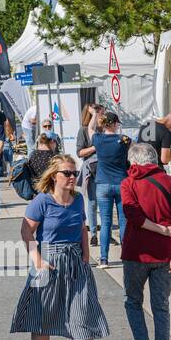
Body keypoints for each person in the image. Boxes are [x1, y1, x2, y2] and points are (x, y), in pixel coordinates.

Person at [9, 155, 114, 340]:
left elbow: (82, 228)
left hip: (75, 261)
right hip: (48, 260)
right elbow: (26, 233)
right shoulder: (41, 202)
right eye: (67, 173)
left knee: (82, 313)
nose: (72, 177)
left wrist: (86, 255)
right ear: (53, 176)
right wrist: (37, 260)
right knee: (42, 317)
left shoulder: (77, 200)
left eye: (74, 173)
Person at [121, 142, 171, 340]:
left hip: (136, 253)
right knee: (161, 307)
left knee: (133, 301)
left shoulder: (129, 183)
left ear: (134, 161)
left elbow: (134, 217)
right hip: (166, 255)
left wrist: (161, 230)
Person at [79, 111, 131, 269]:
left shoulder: (97, 139)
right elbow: (135, 152)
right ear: (115, 124)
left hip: (102, 184)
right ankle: (127, 257)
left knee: (106, 223)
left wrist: (94, 114)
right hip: (122, 183)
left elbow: (90, 127)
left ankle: (103, 259)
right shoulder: (124, 140)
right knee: (124, 222)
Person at [75, 103, 103, 243]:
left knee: (104, 203)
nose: (102, 116)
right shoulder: (84, 130)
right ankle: (93, 234)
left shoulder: (104, 129)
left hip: (104, 169)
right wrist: (94, 147)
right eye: (100, 114)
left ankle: (105, 232)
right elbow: (80, 153)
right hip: (92, 171)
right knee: (92, 203)